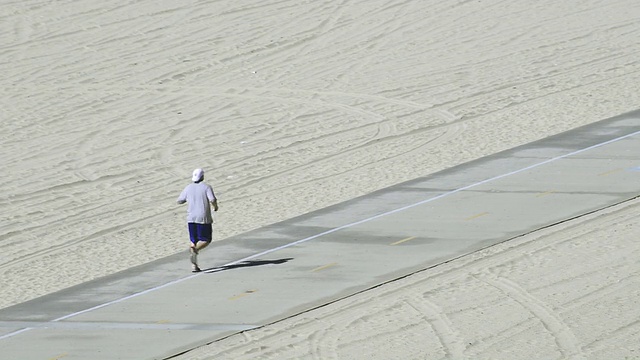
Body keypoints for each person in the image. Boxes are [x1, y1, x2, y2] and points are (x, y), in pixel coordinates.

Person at [177, 168, 219, 272]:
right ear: (203, 177)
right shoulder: (206, 187)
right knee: (206, 239)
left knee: (193, 240)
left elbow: (180, 200)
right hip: (203, 217)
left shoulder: (188, 187)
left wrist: (190, 198)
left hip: (191, 217)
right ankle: (196, 250)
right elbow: (212, 199)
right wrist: (215, 207)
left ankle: (194, 265)